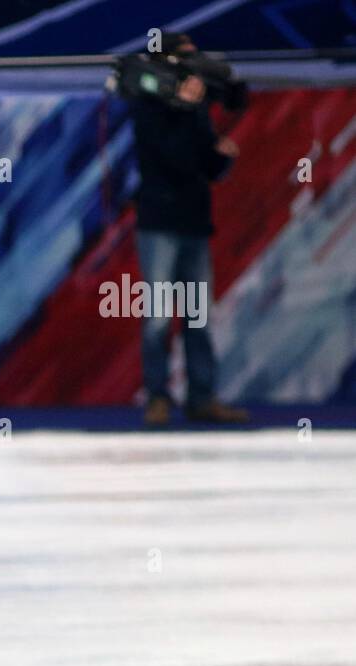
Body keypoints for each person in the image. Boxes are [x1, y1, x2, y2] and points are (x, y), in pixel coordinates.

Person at [130, 33, 249, 426]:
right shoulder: (149, 102)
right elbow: (168, 158)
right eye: (185, 58)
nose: (193, 65)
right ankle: (158, 398)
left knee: (197, 317)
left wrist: (223, 158)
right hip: (160, 224)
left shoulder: (196, 106)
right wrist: (183, 108)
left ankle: (202, 397)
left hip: (194, 222)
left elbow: (205, 163)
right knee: (160, 317)